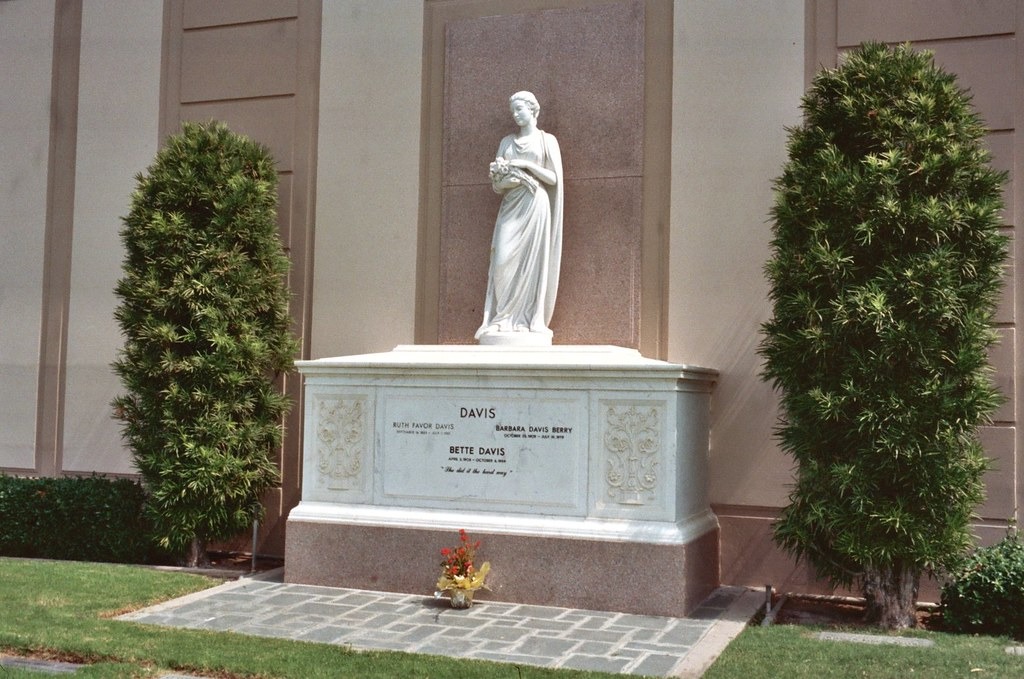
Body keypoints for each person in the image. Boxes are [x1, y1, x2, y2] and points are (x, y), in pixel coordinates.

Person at [475, 91, 564, 344]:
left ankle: (526, 319)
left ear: (533, 110)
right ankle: (502, 319)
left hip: (536, 206)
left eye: (520, 109)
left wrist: (527, 167)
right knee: (502, 261)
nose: (515, 114)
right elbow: (497, 186)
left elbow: (554, 179)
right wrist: (506, 180)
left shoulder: (547, 141)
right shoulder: (506, 142)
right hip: (511, 206)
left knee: (531, 265)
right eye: (512, 110)